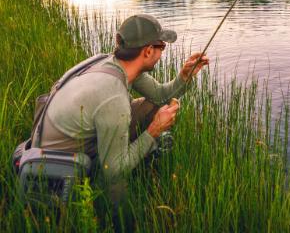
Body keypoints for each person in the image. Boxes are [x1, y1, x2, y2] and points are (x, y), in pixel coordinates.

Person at [33, 14, 208, 202]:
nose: (162, 53)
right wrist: (154, 131)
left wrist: (184, 76)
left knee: (151, 105)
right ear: (148, 51)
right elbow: (114, 171)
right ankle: (117, 220)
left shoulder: (114, 64)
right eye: (162, 47)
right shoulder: (114, 96)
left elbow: (159, 96)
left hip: (69, 139)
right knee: (116, 178)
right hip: (58, 166)